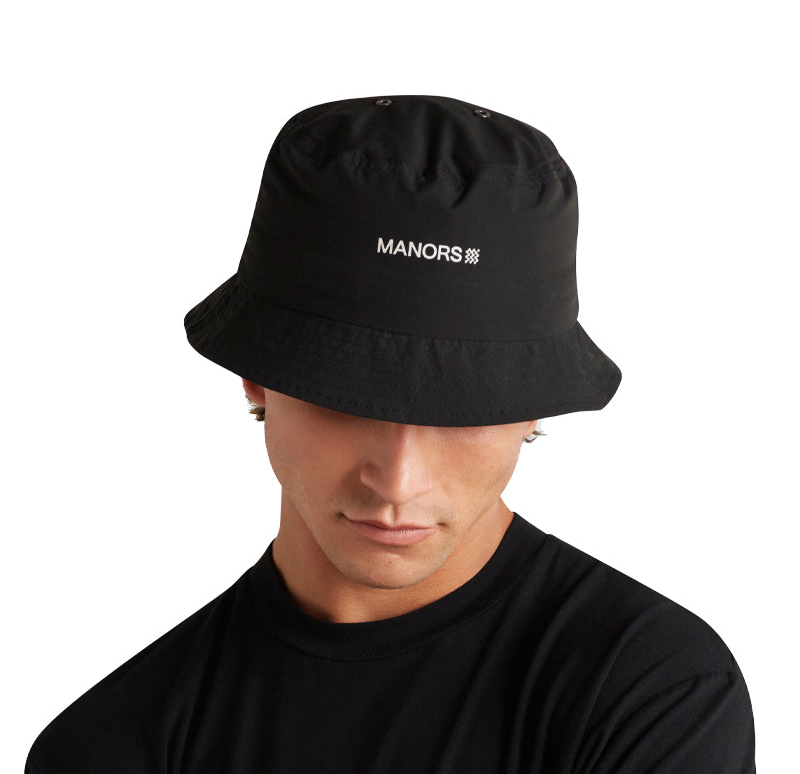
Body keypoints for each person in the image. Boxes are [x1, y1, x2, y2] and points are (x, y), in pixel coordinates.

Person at [25, 94, 756, 772]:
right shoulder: (113, 746)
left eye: (462, 409)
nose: (398, 481)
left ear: (538, 404)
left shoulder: (650, 691)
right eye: (348, 400)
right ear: (256, 375)